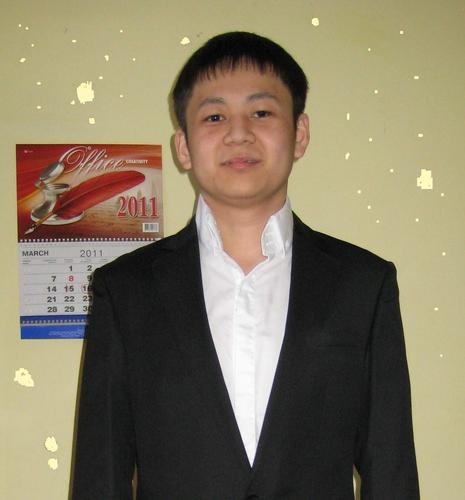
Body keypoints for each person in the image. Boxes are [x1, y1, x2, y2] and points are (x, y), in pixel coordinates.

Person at [72, 32, 419, 499]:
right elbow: (100, 476)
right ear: (184, 147)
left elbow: (392, 470)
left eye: (262, 112)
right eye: (214, 116)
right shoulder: (126, 291)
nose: (239, 133)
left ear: (299, 134)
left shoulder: (363, 285)